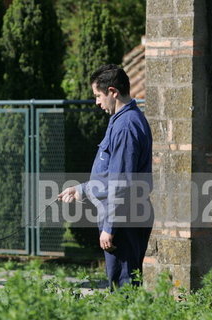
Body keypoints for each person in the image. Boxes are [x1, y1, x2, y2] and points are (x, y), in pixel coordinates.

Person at [58, 64, 153, 289]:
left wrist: (110, 227)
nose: (97, 102)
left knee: (124, 290)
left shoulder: (126, 126)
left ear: (112, 92)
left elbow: (121, 183)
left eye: (98, 96)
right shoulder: (119, 120)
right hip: (123, 217)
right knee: (120, 285)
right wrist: (81, 189)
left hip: (124, 220)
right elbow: (109, 175)